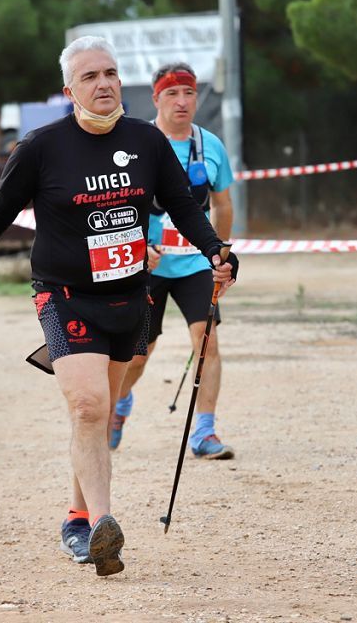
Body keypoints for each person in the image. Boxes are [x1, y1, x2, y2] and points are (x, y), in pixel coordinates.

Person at [0, 36, 238, 577]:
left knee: (97, 414)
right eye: (91, 76)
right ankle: (104, 527)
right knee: (89, 408)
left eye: (111, 74)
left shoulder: (146, 140)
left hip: (130, 297)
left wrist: (216, 248)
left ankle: (77, 519)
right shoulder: (41, 146)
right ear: (69, 90)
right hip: (64, 293)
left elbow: (182, 207)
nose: (104, 84)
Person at [110, 63, 236, 459]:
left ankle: (204, 432)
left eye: (189, 94)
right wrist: (137, 248)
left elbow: (222, 203)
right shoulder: (138, 142)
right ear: (156, 99)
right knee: (138, 353)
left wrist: (221, 251)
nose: (182, 102)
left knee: (207, 341)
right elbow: (121, 204)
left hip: (196, 265)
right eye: (172, 94)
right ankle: (121, 401)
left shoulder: (210, 145)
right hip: (145, 266)